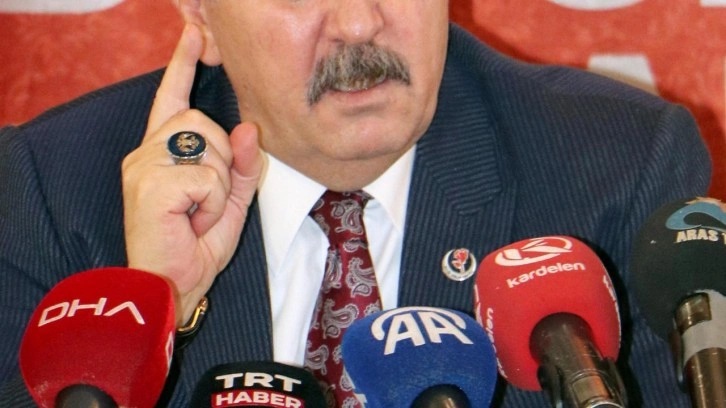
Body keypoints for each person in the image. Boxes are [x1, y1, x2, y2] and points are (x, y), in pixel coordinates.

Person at [0, 0, 712, 407]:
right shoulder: (49, 190)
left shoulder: (616, 167)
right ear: (201, 15)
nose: (359, 22)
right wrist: (159, 303)